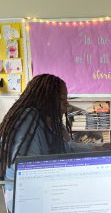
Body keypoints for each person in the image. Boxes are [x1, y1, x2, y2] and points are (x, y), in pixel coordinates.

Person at [0, 74, 87, 212]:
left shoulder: (51, 122)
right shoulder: (28, 120)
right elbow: (30, 170)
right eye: (62, 98)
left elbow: (68, 149)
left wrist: (99, 148)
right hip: (25, 199)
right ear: (45, 97)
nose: (66, 103)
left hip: (45, 190)